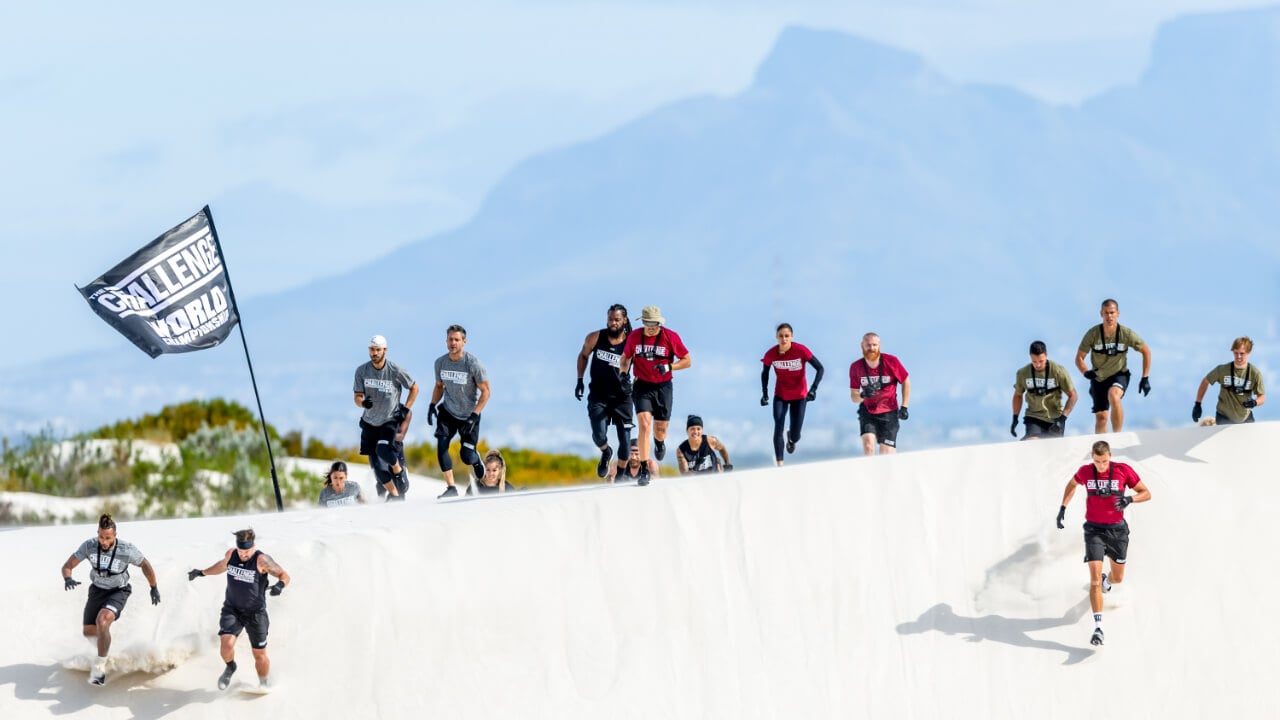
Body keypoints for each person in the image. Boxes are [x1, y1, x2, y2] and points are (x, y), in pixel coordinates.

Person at [1055, 440, 1152, 647]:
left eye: (1104, 461)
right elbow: (1072, 484)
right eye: (1097, 461)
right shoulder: (1085, 471)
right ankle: (1098, 628)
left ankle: (1107, 582)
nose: (1101, 465)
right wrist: (1063, 507)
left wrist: (1129, 500)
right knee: (1095, 581)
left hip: (1117, 531)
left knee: (1117, 578)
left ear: (1110, 456)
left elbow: (1146, 493)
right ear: (1092, 457)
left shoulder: (1122, 470)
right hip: (1093, 530)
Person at [60, 513, 160, 685]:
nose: (104, 541)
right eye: (101, 536)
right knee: (89, 632)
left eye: (108, 538)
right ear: (97, 533)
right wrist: (67, 578)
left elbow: (145, 565)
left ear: (115, 535)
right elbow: (68, 565)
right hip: (97, 591)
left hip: (118, 591)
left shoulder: (126, 549)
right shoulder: (89, 545)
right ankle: (107, 649)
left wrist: (154, 587)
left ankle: (99, 668)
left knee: (102, 621)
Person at [188, 528, 291, 692]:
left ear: (253, 546)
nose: (243, 554)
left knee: (259, 654)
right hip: (232, 609)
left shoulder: (262, 560)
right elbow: (221, 566)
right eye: (241, 551)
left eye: (246, 551)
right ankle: (230, 667)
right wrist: (202, 572)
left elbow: (284, 575)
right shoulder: (231, 554)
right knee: (226, 645)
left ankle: (263, 683)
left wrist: (279, 585)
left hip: (256, 614)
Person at [618, 305, 691, 485]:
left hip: (663, 387)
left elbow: (687, 360)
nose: (652, 327)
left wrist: (669, 366)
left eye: (655, 323)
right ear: (642, 322)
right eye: (648, 323)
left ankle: (659, 442)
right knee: (644, 425)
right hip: (642, 385)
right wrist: (623, 374)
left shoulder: (670, 336)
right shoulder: (635, 337)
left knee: (660, 430)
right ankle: (644, 470)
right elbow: (625, 358)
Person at [428, 325, 492, 498]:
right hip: (448, 412)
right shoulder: (440, 363)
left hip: (469, 415)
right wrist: (432, 405)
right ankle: (451, 488)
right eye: (450, 339)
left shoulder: (473, 364)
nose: (453, 343)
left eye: (457, 340)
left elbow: (486, 391)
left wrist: (474, 415)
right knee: (441, 445)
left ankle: (477, 461)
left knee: (466, 456)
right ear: (446, 341)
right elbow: (439, 386)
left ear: (464, 342)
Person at [353, 334, 419, 499]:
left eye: (378, 350)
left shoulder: (395, 371)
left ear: (385, 351)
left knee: (383, 449)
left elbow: (414, 388)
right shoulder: (362, 371)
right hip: (369, 423)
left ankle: (398, 470)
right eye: (372, 350)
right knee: (377, 469)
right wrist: (362, 403)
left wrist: (405, 408)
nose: (374, 353)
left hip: (389, 421)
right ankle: (395, 495)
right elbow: (357, 396)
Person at [576, 304, 635, 479]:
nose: (613, 323)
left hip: (622, 398)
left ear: (624, 320)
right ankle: (606, 451)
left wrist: (634, 386)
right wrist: (580, 380)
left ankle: (620, 477)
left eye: (617, 320)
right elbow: (583, 355)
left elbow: (640, 368)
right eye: (610, 319)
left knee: (625, 441)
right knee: (598, 435)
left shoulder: (631, 343)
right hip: (598, 396)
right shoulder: (595, 337)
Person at [1075, 299, 1152, 433]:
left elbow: (1146, 351)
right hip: (1098, 378)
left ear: (1118, 313)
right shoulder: (1093, 334)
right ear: (1101, 314)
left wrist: (1145, 377)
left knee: (1113, 395)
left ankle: (1117, 437)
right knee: (1101, 418)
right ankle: (1101, 449)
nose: (1109, 316)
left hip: (1119, 374)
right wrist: (1086, 372)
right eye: (1106, 313)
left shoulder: (1126, 334)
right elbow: (1079, 358)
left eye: (1112, 313)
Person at [761, 323, 825, 466]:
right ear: (776, 337)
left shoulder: (800, 350)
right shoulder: (771, 354)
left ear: (792, 337)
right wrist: (764, 393)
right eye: (781, 336)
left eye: (787, 336)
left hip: (799, 396)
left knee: (796, 435)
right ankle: (780, 464)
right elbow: (765, 373)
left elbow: (820, 368)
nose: (784, 339)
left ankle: (792, 439)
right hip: (781, 395)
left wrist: (813, 389)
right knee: (778, 424)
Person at [848, 332, 910, 456]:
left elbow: (906, 381)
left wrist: (904, 406)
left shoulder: (891, 361)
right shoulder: (856, 367)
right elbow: (853, 397)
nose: (871, 348)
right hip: (868, 412)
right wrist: (863, 395)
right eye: (868, 345)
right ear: (862, 346)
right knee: (868, 445)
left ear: (879, 345)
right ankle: (870, 474)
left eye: (874, 345)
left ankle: (887, 473)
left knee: (886, 453)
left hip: (889, 412)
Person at [1011, 340, 1078, 440]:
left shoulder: (1058, 371)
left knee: (1051, 449)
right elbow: (1018, 395)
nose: (1037, 365)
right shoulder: (1023, 373)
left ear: (1046, 355)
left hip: (1056, 419)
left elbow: (1073, 396)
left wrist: (1063, 418)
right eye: (1034, 361)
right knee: (1032, 442)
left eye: (1041, 361)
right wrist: (1015, 417)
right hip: (1034, 417)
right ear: (1030, 357)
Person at [1193, 336, 1266, 425]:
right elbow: (1205, 381)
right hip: (1224, 417)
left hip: (1245, 418)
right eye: (1236, 353)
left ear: (1248, 353)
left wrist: (1254, 402)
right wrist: (1198, 404)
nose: (1238, 356)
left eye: (1242, 353)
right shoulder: (1222, 370)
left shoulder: (1255, 373)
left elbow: (1262, 397)